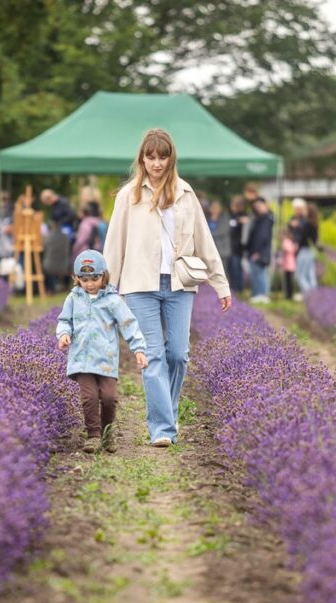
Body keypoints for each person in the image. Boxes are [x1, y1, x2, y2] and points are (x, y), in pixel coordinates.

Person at [103, 128, 231, 447]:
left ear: (171, 158)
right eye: (151, 157)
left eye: (162, 157)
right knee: (153, 356)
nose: (156, 164)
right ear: (142, 159)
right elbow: (114, 245)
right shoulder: (128, 196)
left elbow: (204, 241)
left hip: (179, 285)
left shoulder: (185, 194)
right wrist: (106, 291)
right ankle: (162, 428)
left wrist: (220, 283)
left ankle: (167, 410)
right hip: (138, 285)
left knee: (178, 355)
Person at [56, 250, 148, 454]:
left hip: (106, 360)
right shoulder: (73, 298)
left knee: (109, 397)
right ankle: (93, 435)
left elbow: (128, 324)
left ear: (104, 276)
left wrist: (139, 349)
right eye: (84, 279)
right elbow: (64, 320)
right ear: (77, 278)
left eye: (95, 278)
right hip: (81, 359)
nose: (90, 284)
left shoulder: (112, 300)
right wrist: (63, 334)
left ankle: (107, 432)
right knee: (88, 397)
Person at [247, 196, 274, 304]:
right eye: (256, 207)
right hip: (257, 250)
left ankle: (262, 295)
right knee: (257, 273)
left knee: (260, 273)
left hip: (260, 252)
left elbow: (262, 237)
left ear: (265, 205)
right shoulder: (261, 218)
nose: (258, 208)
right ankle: (258, 294)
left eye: (259, 206)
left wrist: (257, 252)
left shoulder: (266, 219)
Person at [294, 203, 320, 299]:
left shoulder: (306, 223)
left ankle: (309, 295)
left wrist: (296, 227)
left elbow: (300, 237)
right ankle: (315, 294)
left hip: (305, 250)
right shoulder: (315, 223)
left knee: (300, 275)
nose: (303, 211)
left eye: (304, 210)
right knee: (310, 274)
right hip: (312, 251)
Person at [282, 202, 301, 301]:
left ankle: (290, 295)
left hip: (290, 264)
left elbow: (289, 250)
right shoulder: (288, 241)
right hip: (288, 264)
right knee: (288, 280)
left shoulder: (288, 241)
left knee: (290, 280)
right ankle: (288, 295)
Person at [226, 195, 245, 292]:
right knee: (231, 269)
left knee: (237, 268)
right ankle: (233, 288)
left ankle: (239, 288)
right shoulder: (230, 216)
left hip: (237, 248)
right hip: (229, 247)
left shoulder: (243, 216)